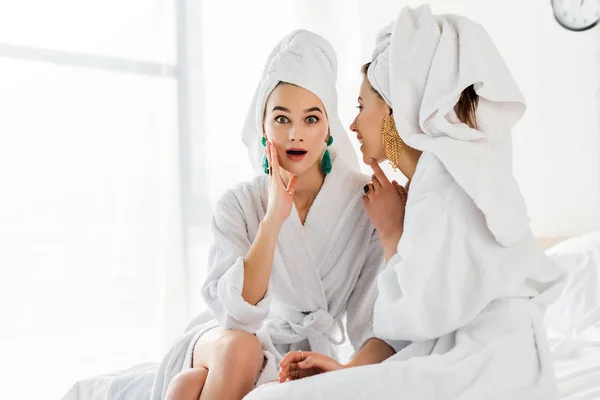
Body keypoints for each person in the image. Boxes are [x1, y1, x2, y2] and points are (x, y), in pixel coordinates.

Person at [248, 5, 565, 400]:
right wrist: (346, 372)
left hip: (488, 358)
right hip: (462, 353)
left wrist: (390, 232)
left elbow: (417, 316)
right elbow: (410, 325)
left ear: (393, 112)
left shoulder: (447, 185)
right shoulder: (431, 181)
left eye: (362, 106)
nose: (351, 124)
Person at [150, 29, 396, 400]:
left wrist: (343, 372)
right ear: (262, 126)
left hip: (290, 355)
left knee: (187, 387)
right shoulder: (240, 204)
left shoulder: (364, 202)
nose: (295, 134)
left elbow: (374, 324)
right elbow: (237, 319)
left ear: (329, 128)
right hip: (226, 341)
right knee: (241, 349)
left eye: (311, 119)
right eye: (281, 119)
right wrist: (273, 218)